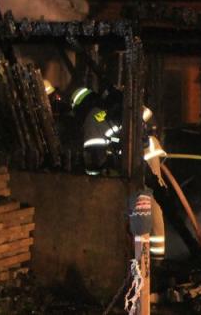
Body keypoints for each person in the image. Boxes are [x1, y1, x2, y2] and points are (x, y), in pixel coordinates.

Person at [72, 87, 167, 263]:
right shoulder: (111, 107)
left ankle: (152, 256)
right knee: (152, 201)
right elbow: (149, 118)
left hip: (141, 154)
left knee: (146, 200)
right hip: (148, 150)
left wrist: (91, 178)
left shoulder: (93, 118)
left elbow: (95, 157)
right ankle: (155, 255)